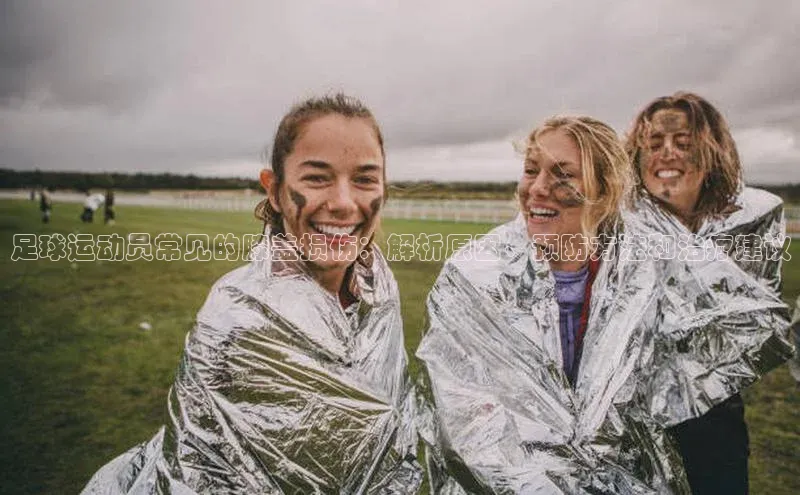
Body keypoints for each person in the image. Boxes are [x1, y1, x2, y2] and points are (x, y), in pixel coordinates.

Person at [416, 115, 792, 493]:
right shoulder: (472, 278)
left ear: (605, 189)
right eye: (531, 170)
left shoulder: (648, 278)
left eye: (563, 175)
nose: (539, 188)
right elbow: (464, 420)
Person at [81, 94, 422, 494]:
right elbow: (197, 477)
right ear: (275, 190)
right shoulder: (238, 315)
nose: (344, 203)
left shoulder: (378, 292)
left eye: (364, 178)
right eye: (317, 177)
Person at [625, 91, 794, 494]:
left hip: (713, 419)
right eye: (654, 145)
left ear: (712, 151)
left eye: (683, 144)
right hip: (626, 422)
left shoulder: (754, 221)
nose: (667, 154)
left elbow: (751, 332)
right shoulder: (614, 223)